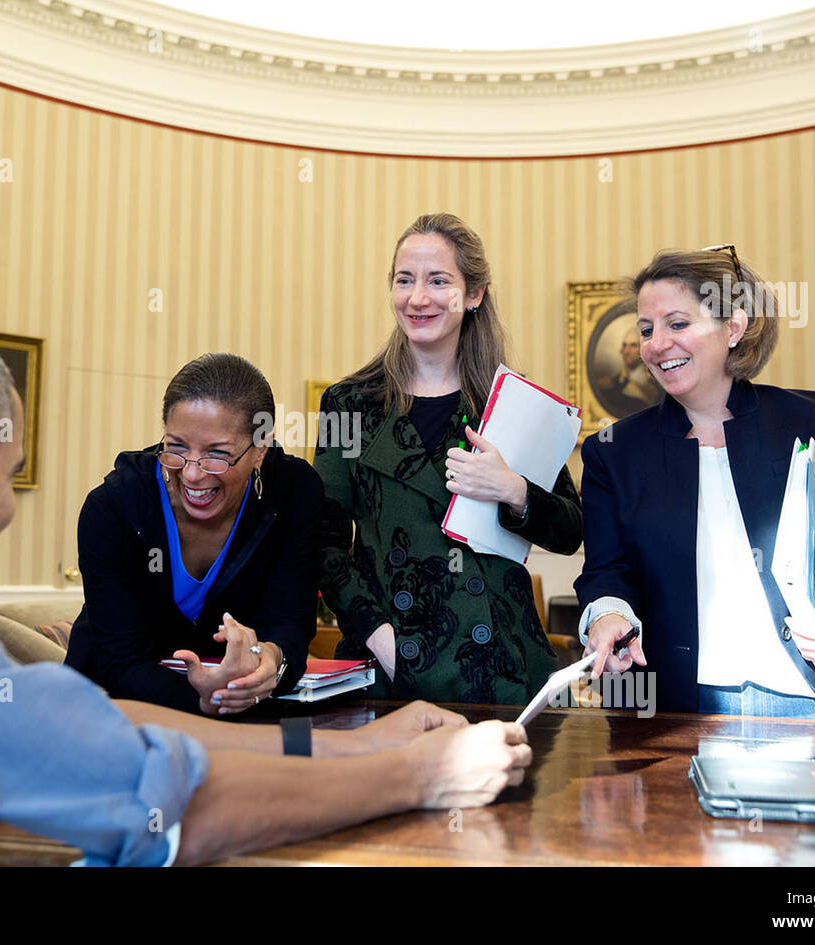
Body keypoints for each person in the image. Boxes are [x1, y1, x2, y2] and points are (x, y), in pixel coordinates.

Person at [0, 317, 533, 865]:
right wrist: (422, 775)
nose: (9, 506)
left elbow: (92, 720)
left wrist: (357, 746)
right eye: (12, 473)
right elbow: (165, 806)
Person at [575, 246, 815, 727]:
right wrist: (608, 616)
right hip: (674, 711)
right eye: (645, 329)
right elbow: (606, 572)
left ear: (734, 328)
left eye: (677, 324)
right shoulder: (611, 452)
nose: (655, 345)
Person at [315, 213, 583, 705]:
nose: (418, 298)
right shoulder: (348, 404)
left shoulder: (509, 404)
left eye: (439, 281)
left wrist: (512, 489)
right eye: (404, 280)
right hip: (391, 671)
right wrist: (378, 636)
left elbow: (569, 531)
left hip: (502, 669)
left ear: (474, 294)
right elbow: (322, 542)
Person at [65, 353, 319, 715]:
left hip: (241, 714)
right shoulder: (115, 507)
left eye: (217, 454)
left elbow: (289, 624)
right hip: (110, 714)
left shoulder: (294, 493)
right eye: (177, 447)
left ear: (261, 448)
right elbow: (120, 662)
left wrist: (271, 663)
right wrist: (206, 699)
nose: (193, 474)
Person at [592, 324, 661, 417]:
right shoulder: (613, 386)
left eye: (633, 345)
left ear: (644, 349)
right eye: (624, 346)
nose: (626, 351)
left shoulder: (660, 383)